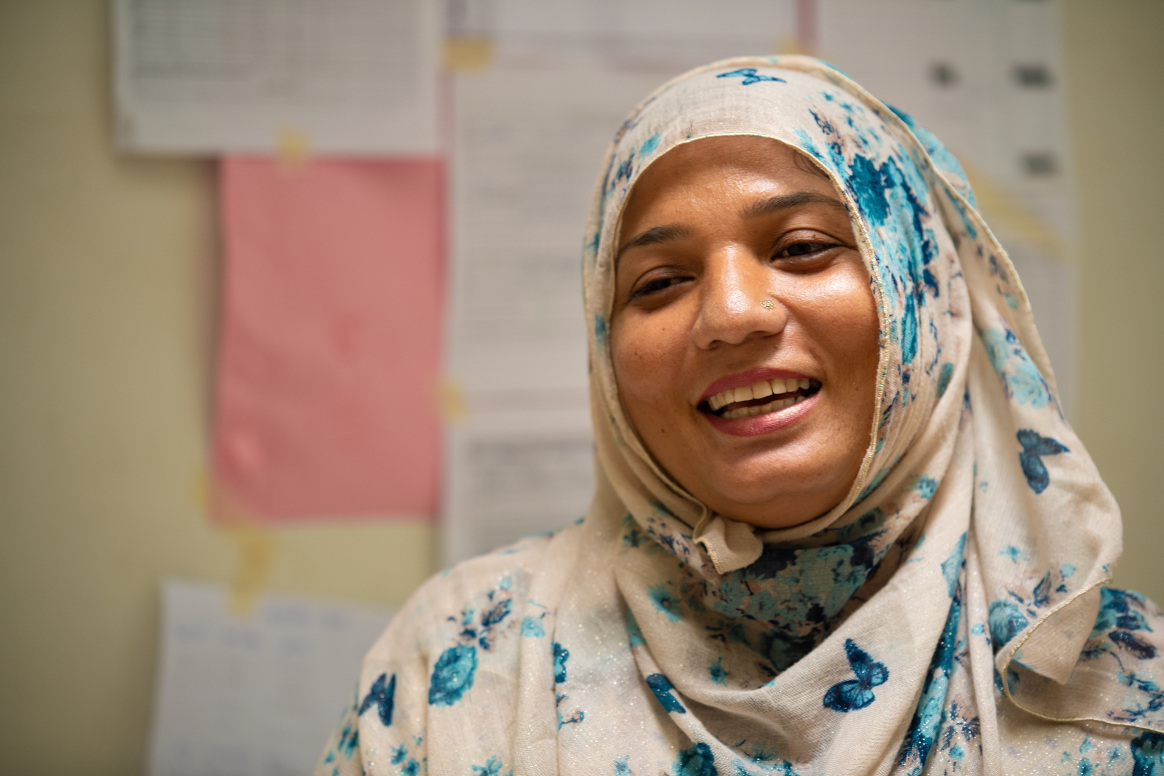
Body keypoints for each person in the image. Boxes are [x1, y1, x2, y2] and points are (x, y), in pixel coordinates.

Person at [315, 56, 1164, 775]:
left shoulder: (1125, 692)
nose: (731, 313)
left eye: (801, 248)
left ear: (921, 297)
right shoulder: (454, 660)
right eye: (659, 283)